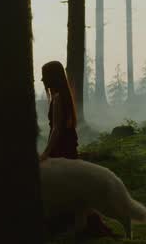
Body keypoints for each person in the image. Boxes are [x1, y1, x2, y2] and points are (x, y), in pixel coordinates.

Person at [39, 61, 113, 237]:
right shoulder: (65, 96)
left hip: (61, 150)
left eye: (45, 76)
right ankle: (82, 224)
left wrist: (46, 153)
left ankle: (71, 225)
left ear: (52, 77)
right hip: (68, 146)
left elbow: (56, 129)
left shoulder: (57, 98)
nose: (42, 79)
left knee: (63, 189)